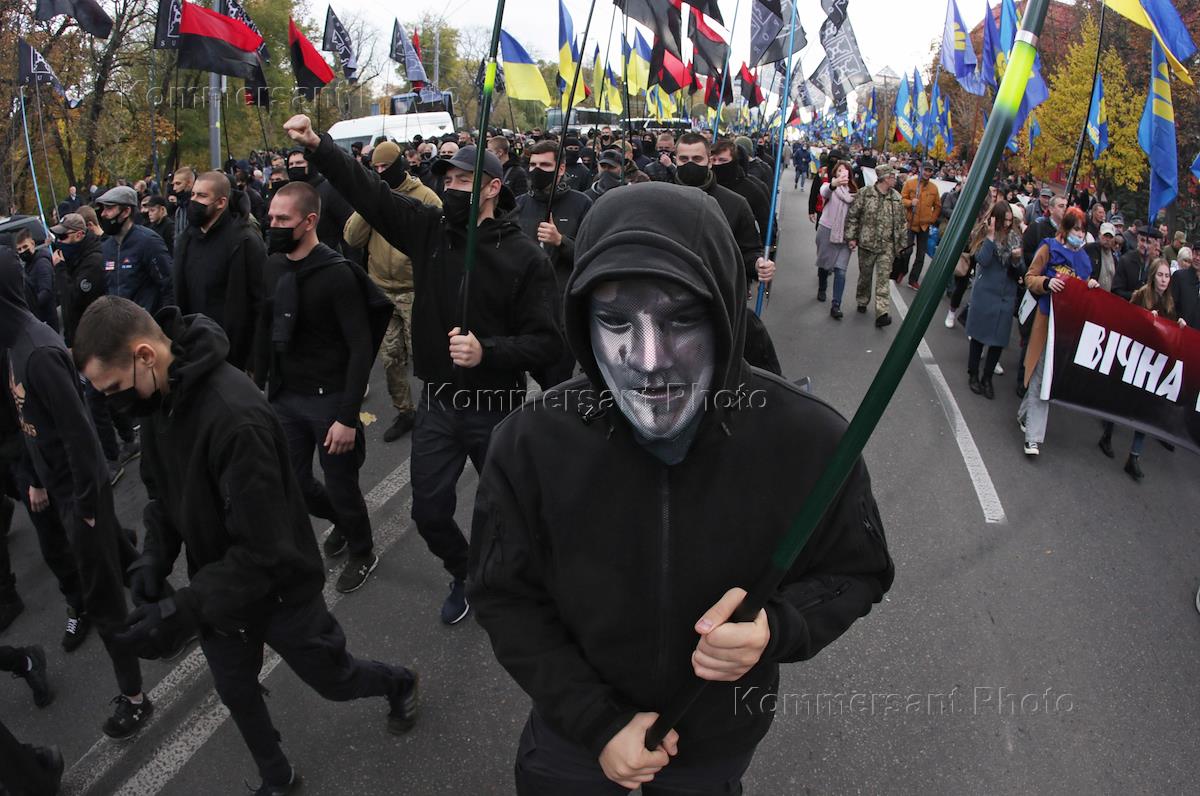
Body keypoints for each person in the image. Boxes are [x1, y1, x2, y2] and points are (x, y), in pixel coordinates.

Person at [469, 182, 893, 795]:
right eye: (615, 320)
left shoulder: (808, 440)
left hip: (712, 748)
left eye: (683, 318)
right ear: (582, 318)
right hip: (571, 747)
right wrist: (594, 722)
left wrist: (776, 626)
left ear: (724, 312)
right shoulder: (530, 444)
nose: (648, 359)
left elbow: (858, 571)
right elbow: (503, 594)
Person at [74, 296, 418, 795]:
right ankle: (278, 778)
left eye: (113, 389)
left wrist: (183, 609)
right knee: (236, 689)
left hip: (280, 590)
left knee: (334, 680)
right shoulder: (160, 400)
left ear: (144, 355)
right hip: (219, 592)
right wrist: (153, 558)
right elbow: (164, 494)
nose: (113, 403)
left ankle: (398, 681)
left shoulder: (234, 417)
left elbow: (264, 551)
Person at [283, 114, 561, 624]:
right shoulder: (428, 230)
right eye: (447, 178)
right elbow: (369, 193)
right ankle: (466, 573)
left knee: (512, 512)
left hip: (496, 408)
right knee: (429, 513)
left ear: (492, 188)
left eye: (463, 180)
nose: (451, 187)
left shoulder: (525, 257)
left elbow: (546, 342)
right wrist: (319, 146)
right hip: (438, 405)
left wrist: (488, 351)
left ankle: (527, 584)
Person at [0, 254, 147, 739]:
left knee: (104, 604)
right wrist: (37, 479)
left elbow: (81, 436)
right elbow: (33, 425)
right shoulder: (12, 346)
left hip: (80, 497)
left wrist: (84, 508)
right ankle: (177, 617)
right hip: (61, 490)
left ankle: (134, 699)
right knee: (125, 561)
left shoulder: (38, 352)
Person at [255, 182, 390, 593]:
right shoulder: (273, 266)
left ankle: (362, 551)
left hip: (328, 400)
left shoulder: (337, 274)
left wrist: (346, 417)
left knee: (341, 485)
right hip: (285, 397)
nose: (273, 225)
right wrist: (258, 385)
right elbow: (266, 326)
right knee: (293, 481)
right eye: (271, 217)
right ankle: (343, 522)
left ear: (310, 221)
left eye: (283, 219)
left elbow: (360, 347)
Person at [344, 141, 443, 443]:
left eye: (386, 167)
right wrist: (372, 202)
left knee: (423, 356)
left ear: (400, 164)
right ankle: (405, 411)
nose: (381, 172)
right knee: (390, 359)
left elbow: (440, 240)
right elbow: (352, 238)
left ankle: (436, 411)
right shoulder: (375, 196)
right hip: (382, 291)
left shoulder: (425, 196)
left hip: (415, 291)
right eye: (375, 168)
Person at [1019, 207, 1099, 457]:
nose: (1080, 234)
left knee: (1044, 376)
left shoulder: (1084, 260)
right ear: (1065, 228)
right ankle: (1033, 438)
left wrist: (1090, 287)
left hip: (1065, 328)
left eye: (1082, 230)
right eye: (1076, 229)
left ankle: (1024, 415)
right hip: (1045, 320)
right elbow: (1030, 277)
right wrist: (1046, 282)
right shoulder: (1049, 247)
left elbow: (1083, 293)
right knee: (1042, 377)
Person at [1098, 258, 1185, 481]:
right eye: (1160, 275)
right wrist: (1145, 318)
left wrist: (1179, 326)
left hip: (1152, 363)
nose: (1164, 280)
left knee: (1146, 410)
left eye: (1167, 276)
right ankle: (1107, 435)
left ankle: (1134, 456)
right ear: (1153, 276)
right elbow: (1127, 320)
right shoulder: (1140, 295)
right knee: (1122, 401)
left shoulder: (1169, 303)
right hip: (1134, 357)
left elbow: (1170, 333)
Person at [516, 140, 593, 389]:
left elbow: (590, 255)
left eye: (545, 165)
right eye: (533, 165)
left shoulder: (582, 204)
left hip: (562, 309)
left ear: (560, 169)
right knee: (534, 371)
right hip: (526, 308)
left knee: (557, 380)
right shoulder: (519, 204)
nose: (537, 170)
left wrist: (560, 241)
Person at [173, 171, 265, 372]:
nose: (194, 201)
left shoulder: (245, 241)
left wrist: (254, 361)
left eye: (202, 196)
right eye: (193, 194)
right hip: (194, 350)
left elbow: (260, 302)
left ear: (221, 202)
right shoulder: (186, 240)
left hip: (233, 355)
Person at [672, 132, 774, 292]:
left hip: (718, 293)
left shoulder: (736, 204)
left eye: (697, 159)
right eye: (684, 159)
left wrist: (758, 264)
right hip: (670, 290)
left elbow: (748, 251)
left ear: (709, 161)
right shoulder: (659, 198)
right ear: (675, 160)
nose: (690, 164)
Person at [964, 203, 1020, 400]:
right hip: (986, 292)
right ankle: (973, 374)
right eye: (1004, 220)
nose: (1007, 224)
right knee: (979, 336)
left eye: (1010, 220)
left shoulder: (1015, 237)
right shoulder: (984, 233)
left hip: (1006, 294)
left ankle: (987, 377)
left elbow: (1021, 268)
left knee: (999, 339)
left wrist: (1016, 259)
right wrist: (989, 237)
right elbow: (982, 260)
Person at [845, 163, 908, 328]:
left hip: (887, 246)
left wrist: (901, 245)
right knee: (865, 276)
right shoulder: (865, 193)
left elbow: (902, 223)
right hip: (867, 244)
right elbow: (853, 216)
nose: (895, 179)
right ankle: (862, 300)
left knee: (883, 279)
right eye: (893, 176)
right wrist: (851, 237)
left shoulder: (896, 197)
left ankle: (882, 313)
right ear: (885, 178)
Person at [96, 185, 175, 314]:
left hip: (145, 322)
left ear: (126, 211)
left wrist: (164, 320)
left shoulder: (148, 242)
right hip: (116, 322)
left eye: (109, 208)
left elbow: (169, 285)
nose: (103, 214)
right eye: (103, 209)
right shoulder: (106, 246)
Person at [285, 148, 354, 252]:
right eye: (291, 164)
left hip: (329, 254)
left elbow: (348, 226)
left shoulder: (330, 189)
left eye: (299, 163)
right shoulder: (288, 193)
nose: (294, 167)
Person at [710, 139, 771, 250]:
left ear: (734, 162)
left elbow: (764, 223)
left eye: (723, 160)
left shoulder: (752, 190)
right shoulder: (705, 186)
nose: (717, 164)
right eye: (713, 160)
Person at [814, 161, 857, 319]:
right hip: (827, 229)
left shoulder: (855, 193)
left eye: (845, 171)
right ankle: (822, 287)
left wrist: (854, 237)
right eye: (839, 171)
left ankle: (836, 305)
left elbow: (857, 216)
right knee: (824, 263)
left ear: (850, 175)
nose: (842, 174)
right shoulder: (830, 187)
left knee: (841, 270)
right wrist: (834, 184)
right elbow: (824, 191)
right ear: (835, 173)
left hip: (846, 235)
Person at [899, 161, 941, 289]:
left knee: (921, 255)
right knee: (907, 251)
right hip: (911, 223)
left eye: (930, 171)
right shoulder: (910, 183)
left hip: (924, 226)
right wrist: (910, 202)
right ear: (920, 170)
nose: (927, 173)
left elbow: (937, 206)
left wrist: (931, 219)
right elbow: (901, 199)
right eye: (926, 170)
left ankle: (913, 280)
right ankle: (902, 270)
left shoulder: (934, 188)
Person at [13, 229, 58, 332]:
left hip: (47, 319)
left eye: (25, 247)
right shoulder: (29, 265)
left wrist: (29, 307)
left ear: (32, 244)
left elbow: (45, 292)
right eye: (19, 249)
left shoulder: (41, 264)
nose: (22, 251)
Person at [1113, 227, 1161, 300]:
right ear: (1137, 240)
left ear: (1155, 245)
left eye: (1149, 242)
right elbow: (1116, 290)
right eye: (1142, 240)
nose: (1145, 245)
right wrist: (1135, 296)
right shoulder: (1125, 260)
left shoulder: (1156, 266)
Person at [1168, 243, 1200, 328]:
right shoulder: (1179, 277)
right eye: (1196, 254)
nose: (1197, 258)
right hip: (1178, 330)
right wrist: (1177, 319)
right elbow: (1169, 306)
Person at [1084, 222, 1121, 292]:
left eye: (1110, 237)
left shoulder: (1115, 258)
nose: (1107, 239)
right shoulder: (1089, 249)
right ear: (1099, 235)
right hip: (1089, 291)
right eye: (1105, 236)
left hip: (1106, 295)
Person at [171, 166, 196, 242]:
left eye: (178, 183)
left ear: (189, 183)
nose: (174, 188)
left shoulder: (197, 207)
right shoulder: (179, 209)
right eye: (173, 184)